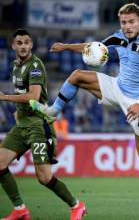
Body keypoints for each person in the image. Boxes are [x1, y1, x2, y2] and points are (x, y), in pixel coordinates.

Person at [30, 3, 139, 162]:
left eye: (132, 21)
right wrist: (66, 46)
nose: (127, 26)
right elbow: (94, 47)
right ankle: (54, 111)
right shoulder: (119, 36)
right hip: (117, 87)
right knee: (77, 76)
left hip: (137, 100)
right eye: (124, 22)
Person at [0, 29, 86, 220]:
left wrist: (5, 97)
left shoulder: (35, 65)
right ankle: (20, 209)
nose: (23, 46)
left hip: (38, 126)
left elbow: (34, 96)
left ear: (31, 45)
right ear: (13, 46)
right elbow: (24, 95)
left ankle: (76, 205)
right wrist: (17, 110)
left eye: (26, 43)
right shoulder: (16, 66)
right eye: (19, 43)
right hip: (22, 125)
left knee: (44, 178)